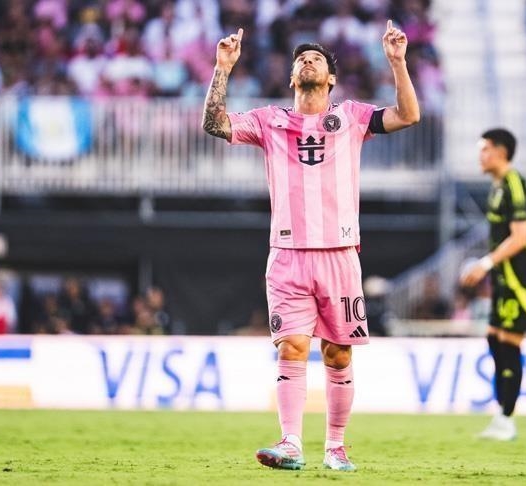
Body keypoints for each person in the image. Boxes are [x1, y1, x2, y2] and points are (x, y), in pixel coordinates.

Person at [202, 21, 419, 471]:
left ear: (331, 78)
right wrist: (222, 67)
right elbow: (213, 124)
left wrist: (397, 62)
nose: (307, 61)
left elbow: (408, 115)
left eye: (317, 58)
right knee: (291, 347)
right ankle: (291, 443)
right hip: (287, 255)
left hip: (340, 254)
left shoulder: (352, 116)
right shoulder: (269, 121)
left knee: (338, 353)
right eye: (301, 58)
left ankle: (335, 447)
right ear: (291, 78)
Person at [460, 128, 526, 441]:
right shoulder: (497, 186)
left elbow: (521, 238)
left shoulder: (515, 184)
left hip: (519, 279)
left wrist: (485, 263)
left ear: (500, 151)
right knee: (495, 339)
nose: (480, 156)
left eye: (484, 149)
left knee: (509, 343)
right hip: (503, 278)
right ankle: (501, 414)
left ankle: (507, 421)